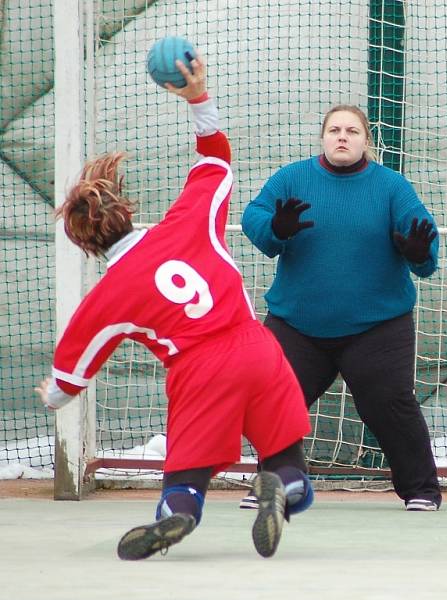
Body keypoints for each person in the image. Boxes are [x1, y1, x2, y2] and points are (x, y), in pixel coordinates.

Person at [35, 54, 314, 560]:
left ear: (87, 245)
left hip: (199, 369)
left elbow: (72, 373)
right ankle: (284, 486)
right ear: (126, 209)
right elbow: (216, 161)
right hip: (256, 345)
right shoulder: (187, 222)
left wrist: (53, 394)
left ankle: (179, 512)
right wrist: (198, 99)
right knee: (283, 454)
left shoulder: (108, 295)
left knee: (185, 476)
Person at [240, 105, 442, 511]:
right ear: (323, 138)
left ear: (367, 139)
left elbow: (426, 245)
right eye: (334, 130)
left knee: (391, 405)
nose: (342, 137)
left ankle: (422, 491)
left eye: (352, 130)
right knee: (273, 401)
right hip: (297, 324)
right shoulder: (291, 178)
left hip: (377, 327)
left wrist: (421, 252)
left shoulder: (391, 187)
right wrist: (274, 230)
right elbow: (253, 218)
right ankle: (276, 486)